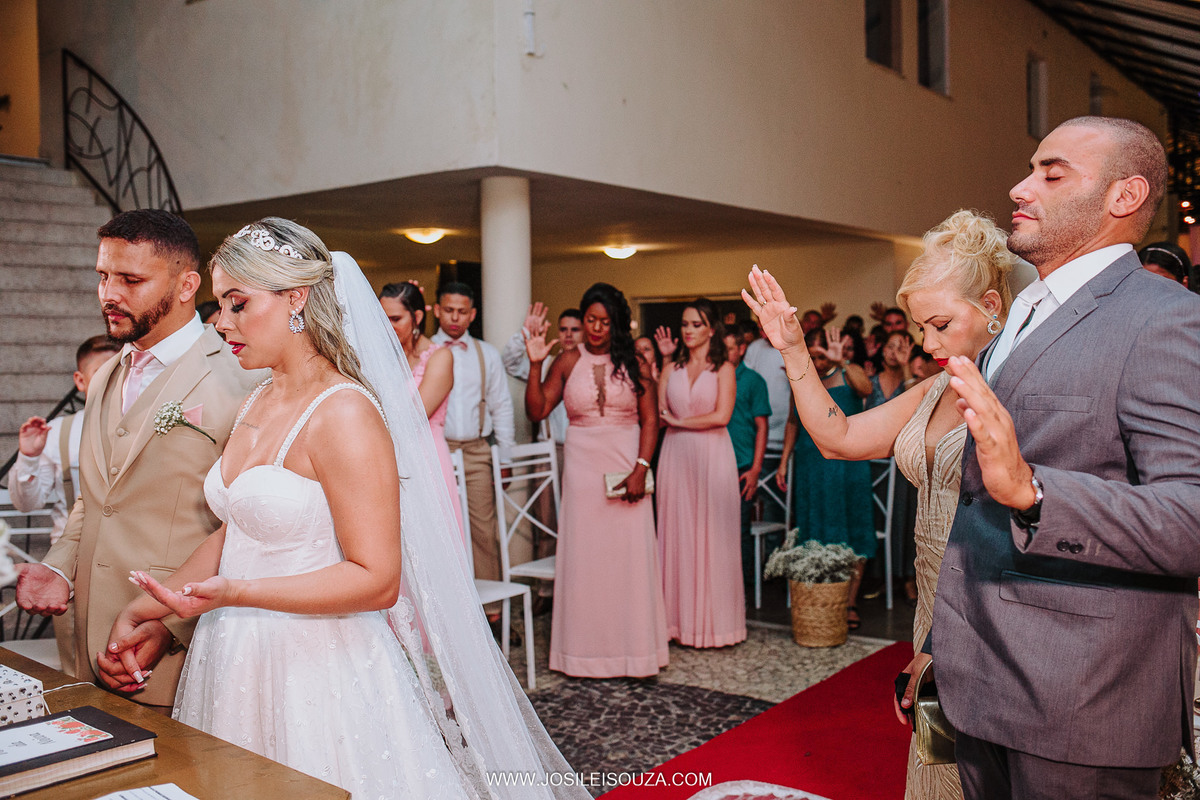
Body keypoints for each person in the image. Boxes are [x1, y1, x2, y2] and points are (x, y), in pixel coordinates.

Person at [109, 218, 586, 799]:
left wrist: (236, 593)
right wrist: (155, 605)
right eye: (220, 304)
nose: (222, 321)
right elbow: (238, 532)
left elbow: (377, 579)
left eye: (237, 303)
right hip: (236, 655)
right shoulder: (259, 395)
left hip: (318, 666)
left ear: (296, 299)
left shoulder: (344, 412)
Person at [912, 117, 1200, 799]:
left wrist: (1035, 492)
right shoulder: (1020, 316)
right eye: (1029, 169)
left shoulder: (1164, 318)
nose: (1020, 187)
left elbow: (1190, 518)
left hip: (1084, 701)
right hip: (984, 680)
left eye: (1052, 172)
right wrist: (941, 651)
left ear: (1123, 197)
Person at [743, 209, 1015, 800]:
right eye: (921, 328)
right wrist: (793, 349)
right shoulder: (937, 387)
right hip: (931, 603)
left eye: (940, 323)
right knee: (936, 767)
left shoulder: (1020, 392)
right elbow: (836, 437)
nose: (928, 343)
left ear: (992, 304)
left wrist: (947, 643)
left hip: (989, 609)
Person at [14, 209, 262, 708]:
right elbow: (96, 497)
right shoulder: (107, 375)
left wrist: (169, 622)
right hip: (85, 638)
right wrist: (60, 566)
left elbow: (251, 528)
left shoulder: (244, 376)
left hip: (176, 644)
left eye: (131, 279)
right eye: (103, 276)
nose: (110, 294)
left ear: (187, 284)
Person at [525, 283, 667, 677]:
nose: (597, 328)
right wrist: (536, 362)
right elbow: (537, 410)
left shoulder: (635, 361)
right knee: (586, 561)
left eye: (605, 321)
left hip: (627, 468)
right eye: (591, 320)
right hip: (584, 471)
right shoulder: (568, 360)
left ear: (616, 322)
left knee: (629, 560)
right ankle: (582, 656)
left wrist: (641, 467)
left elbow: (651, 419)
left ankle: (635, 654)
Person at [10, 334, 121, 669]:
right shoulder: (56, 432)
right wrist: (28, 458)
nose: (110, 382)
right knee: (75, 665)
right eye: (101, 373)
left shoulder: (147, 428)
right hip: (70, 568)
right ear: (80, 380)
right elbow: (25, 504)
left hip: (128, 563)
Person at [656, 298, 744, 648]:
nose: (688, 331)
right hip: (675, 455)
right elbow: (661, 406)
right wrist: (663, 360)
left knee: (712, 536)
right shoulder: (672, 366)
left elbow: (722, 416)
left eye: (695, 324)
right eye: (684, 324)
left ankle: (715, 627)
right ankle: (674, 624)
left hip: (711, 455)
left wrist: (680, 422)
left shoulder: (723, 368)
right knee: (676, 534)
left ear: (711, 329)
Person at [777, 326, 875, 629]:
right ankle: (818, 599)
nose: (818, 361)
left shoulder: (850, 371)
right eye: (813, 353)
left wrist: (841, 361)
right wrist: (783, 462)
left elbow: (867, 390)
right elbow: (793, 422)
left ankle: (848, 602)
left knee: (854, 525)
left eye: (821, 354)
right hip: (811, 466)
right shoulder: (802, 378)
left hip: (848, 464)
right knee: (813, 525)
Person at [431, 282, 516, 588]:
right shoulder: (425, 352)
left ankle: (489, 612)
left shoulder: (487, 354)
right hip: (434, 450)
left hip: (478, 451)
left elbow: (501, 406)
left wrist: (504, 456)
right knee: (439, 527)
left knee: (483, 529)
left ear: (472, 314)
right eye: (449, 310)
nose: (455, 317)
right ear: (437, 310)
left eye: (462, 312)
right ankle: (447, 599)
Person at [379, 281, 463, 540]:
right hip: (386, 458)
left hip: (427, 459)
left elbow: (414, 415)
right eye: (383, 318)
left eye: (396, 318)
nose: (387, 326)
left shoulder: (440, 357)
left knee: (429, 540)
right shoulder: (381, 358)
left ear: (416, 317)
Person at [723, 331, 773, 589]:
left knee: (739, 529)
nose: (724, 352)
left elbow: (761, 427)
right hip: (715, 463)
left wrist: (755, 469)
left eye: (729, 348)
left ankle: (741, 591)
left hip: (742, 464)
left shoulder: (753, 380)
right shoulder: (712, 377)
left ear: (742, 349)